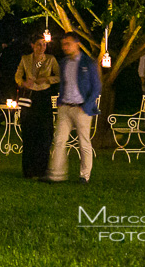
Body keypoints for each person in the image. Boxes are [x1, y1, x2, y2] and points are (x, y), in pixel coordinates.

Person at [44, 32, 101, 184]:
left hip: (81, 108)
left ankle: (84, 175)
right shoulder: (64, 63)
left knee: (84, 142)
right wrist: (61, 101)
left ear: (77, 44)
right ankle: (56, 174)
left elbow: (96, 87)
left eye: (68, 44)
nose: (65, 47)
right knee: (60, 140)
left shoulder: (88, 63)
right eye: (63, 44)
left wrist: (87, 106)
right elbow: (63, 83)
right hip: (65, 107)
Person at [16, 34, 60, 179]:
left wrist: (47, 79)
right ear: (33, 45)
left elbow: (59, 76)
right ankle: (28, 170)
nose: (42, 47)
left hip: (44, 96)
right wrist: (23, 83)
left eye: (44, 44)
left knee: (44, 133)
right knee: (29, 132)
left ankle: (42, 169)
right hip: (30, 97)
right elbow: (17, 76)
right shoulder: (25, 59)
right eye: (39, 44)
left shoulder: (50, 59)